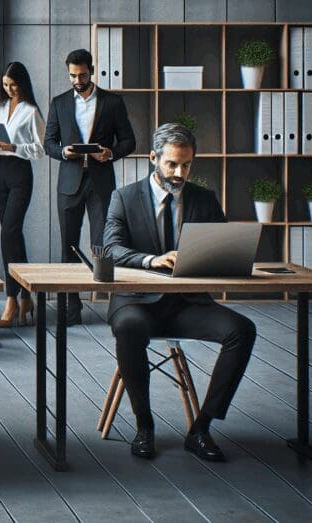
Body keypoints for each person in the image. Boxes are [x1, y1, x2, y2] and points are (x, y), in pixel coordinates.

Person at [103, 123, 256, 462]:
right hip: (137, 304)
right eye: (172, 164)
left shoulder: (204, 199)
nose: (179, 172)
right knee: (128, 328)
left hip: (188, 304)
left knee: (242, 330)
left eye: (186, 165)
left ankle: (201, 428)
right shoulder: (124, 198)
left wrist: (227, 255)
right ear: (154, 158)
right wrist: (153, 260)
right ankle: (145, 426)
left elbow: (222, 248)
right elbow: (111, 248)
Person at [44, 48, 136, 325]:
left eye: (82, 74)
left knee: (103, 247)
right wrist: (64, 153)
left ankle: (112, 308)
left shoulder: (112, 102)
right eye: (72, 75)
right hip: (69, 183)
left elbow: (129, 141)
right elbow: (48, 143)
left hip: (101, 183)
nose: (77, 80)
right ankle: (71, 309)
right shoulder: (59, 102)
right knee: (68, 247)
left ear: (92, 71)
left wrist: (110, 153)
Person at [0, 62, 44, 328]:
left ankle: (11, 299)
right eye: (5, 85)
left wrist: (14, 146)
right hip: (0, 170)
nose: (9, 89)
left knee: (8, 232)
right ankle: (26, 296)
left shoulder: (31, 111)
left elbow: (40, 149)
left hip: (20, 171)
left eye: (14, 84)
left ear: (23, 83)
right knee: (12, 234)